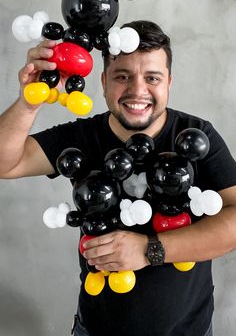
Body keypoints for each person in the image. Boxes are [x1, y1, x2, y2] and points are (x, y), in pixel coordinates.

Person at [0, 20, 236, 336]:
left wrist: (149, 249)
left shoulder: (197, 136)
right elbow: (6, 163)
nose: (138, 91)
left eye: (152, 77)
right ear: (104, 81)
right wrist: (30, 101)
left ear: (169, 82)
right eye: (122, 76)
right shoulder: (82, 137)